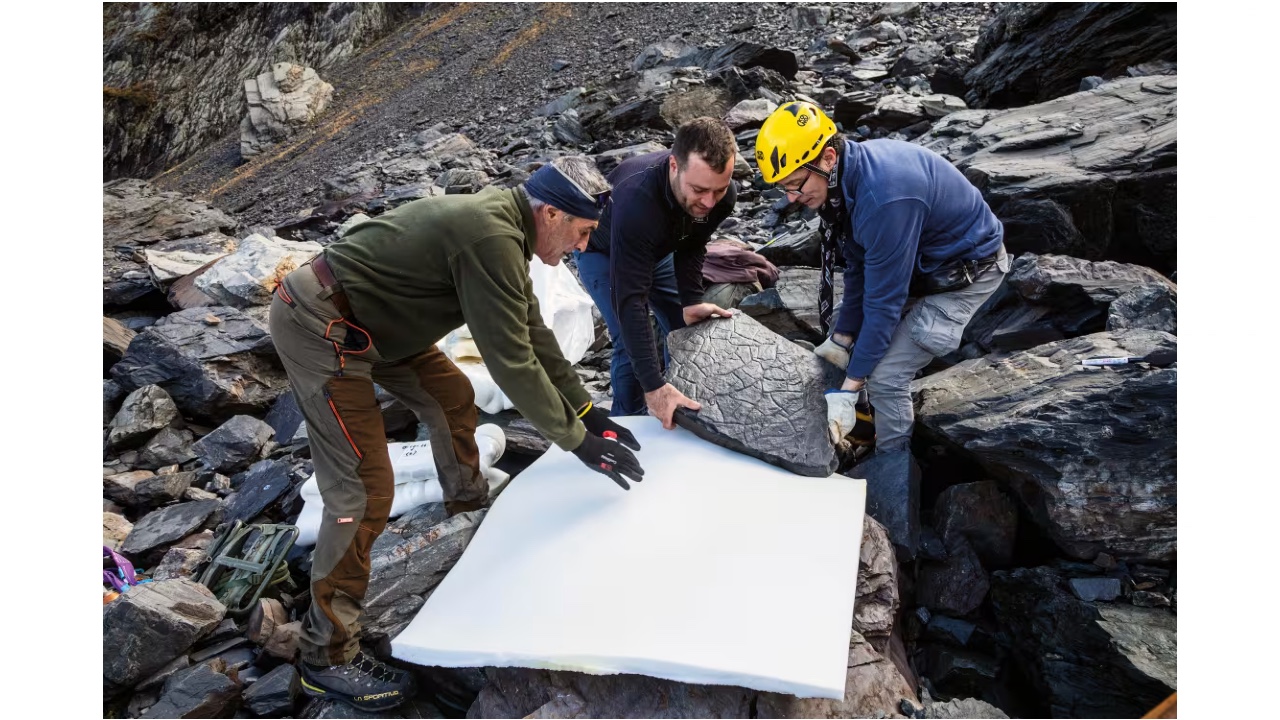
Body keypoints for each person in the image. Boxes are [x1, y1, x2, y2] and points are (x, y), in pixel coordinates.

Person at [268, 156, 645, 711]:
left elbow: (534, 333)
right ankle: (326, 657)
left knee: (452, 396)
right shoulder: (490, 236)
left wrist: (588, 411)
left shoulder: (508, 232)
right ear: (551, 214)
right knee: (364, 490)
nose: (583, 248)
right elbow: (512, 362)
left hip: (377, 324)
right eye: (582, 234)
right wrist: (576, 442)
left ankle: (465, 506)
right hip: (321, 329)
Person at [754, 101, 1010, 453]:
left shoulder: (884, 199)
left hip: (967, 274)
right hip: (922, 264)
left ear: (828, 158)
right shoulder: (848, 179)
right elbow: (859, 268)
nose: (793, 198)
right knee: (844, 340)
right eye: (785, 188)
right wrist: (841, 339)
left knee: (887, 377)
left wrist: (851, 387)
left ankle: (891, 464)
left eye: (797, 184)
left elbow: (884, 304)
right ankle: (859, 427)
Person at [575, 117, 740, 428]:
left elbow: (693, 244)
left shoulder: (721, 195)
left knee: (684, 327)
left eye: (717, 191)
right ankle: (627, 423)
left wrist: (691, 299)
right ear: (674, 166)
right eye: (699, 190)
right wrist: (652, 386)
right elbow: (631, 301)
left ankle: (686, 407)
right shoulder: (636, 199)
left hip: (660, 246)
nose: (708, 201)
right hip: (604, 251)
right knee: (630, 339)